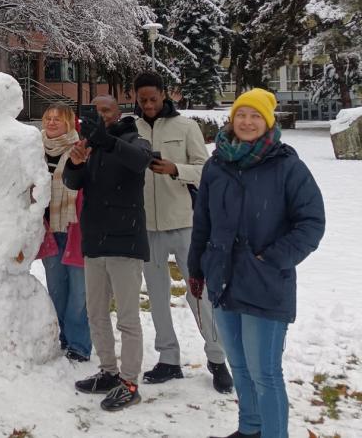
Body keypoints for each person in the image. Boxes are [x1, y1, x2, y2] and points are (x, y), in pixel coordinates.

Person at [189, 88, 325, 438]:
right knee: (240, 366)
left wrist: (271, 258)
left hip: (265, 283)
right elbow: (202, 221)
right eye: (241, 115)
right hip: (222, 278)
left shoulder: (286, 166)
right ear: (232, 120)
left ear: (267, 123)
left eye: (255, 116)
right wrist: (196, 266)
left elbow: (311, 222)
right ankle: (250, 428)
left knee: (265, 372)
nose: (247, 122)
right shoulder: (215, 165)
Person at [133, 71, 233, 393]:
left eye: (153, 98)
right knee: (158, 295)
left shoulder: (186, 127)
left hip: (185, 224)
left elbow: (207, 171)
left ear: (164, 95)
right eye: (142, 99)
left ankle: (217, 359)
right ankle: (168, 359)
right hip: (147, 226)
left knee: (198, 292)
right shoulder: (129, 129)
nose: (148, 105)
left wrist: (176, 170)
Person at [63, 96, 153, 411]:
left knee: (127, 318)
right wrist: (75, 162)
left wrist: (105, 141)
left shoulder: (134, 140)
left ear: (118, 113)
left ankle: (129, 382)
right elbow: (72, 183)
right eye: (96, 111)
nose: (101, 116)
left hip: (125, 241)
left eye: (106, 111)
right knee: (96, 312)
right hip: (95, 241)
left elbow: (140, 161)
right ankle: (108, 372)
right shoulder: (92, 145)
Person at [38, 103, 92, 363]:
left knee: (79, 292)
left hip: (75, 229)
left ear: (70, 123)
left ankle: (79, 343)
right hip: (49, 230)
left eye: (58, 119)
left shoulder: (79, 150)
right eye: (48, 118)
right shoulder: (35, 151)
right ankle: (62, 336)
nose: (51, 122)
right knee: (57, 289)